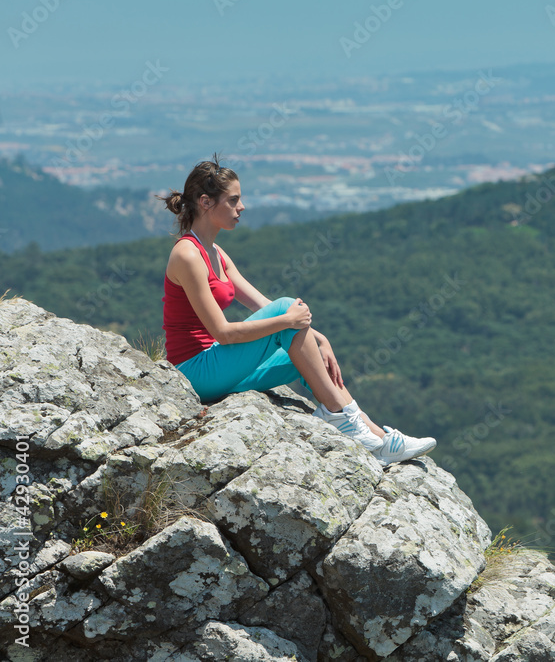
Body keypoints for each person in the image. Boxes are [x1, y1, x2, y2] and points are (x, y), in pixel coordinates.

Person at [159, 156, 435, 466]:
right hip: (194, 372)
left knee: (305, 353)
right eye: (233, 200)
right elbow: (223, 333)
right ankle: (339, 417)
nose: (242, 207)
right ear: (206, 202)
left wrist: (318, 338)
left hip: (218, 367)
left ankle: (380, 440)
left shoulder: (216, 253)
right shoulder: (188, 254)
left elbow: (260, 305)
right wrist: (288, 319)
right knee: (285, 308)